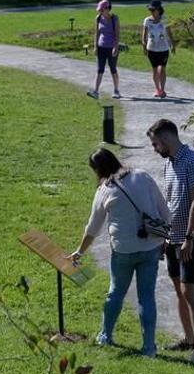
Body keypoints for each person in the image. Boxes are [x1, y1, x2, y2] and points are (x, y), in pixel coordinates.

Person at [67, 148, 170, 357]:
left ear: (98, 170)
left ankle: (105, 336)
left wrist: (79, 252)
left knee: (116, 293)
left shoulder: (105, 189)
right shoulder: (142, 176)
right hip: (150, 246)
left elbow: (92, 229)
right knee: (146, 297)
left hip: (123, 250)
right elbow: (164, 210)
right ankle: (149, 347)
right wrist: (164, 238)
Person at [146, 119, 194, 363]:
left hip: (191, 237)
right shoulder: (169, 164)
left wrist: (189, 237)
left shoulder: (193, 161)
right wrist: (166, 236)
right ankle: (188, 339)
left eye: (155, 143)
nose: (154, 149)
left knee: (189, 289)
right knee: (178, 289)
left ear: (167, 138)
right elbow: (171, 203)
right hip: (173, 237)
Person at [87, 0, 121, 100]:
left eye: (102, 10)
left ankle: (116, 90)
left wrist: (116, 47)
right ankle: (96, 91)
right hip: (101, 47)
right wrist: (95, 47)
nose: (100, 12)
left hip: (111, 48)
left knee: (113, 69)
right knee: (99, 69)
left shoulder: (114, 19)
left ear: (107, 9)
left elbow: (117, 34)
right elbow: (97, 33)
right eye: (99, 10)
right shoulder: (98, 18)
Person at [141, 0, 175, 99]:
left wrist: (173, 45)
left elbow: (169, 33)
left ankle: (163, 89)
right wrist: (144, 45)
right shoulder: (147, 20)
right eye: (150, 9)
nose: (151, 11)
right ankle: (157, 89)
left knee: (162, 69)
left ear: (159, 10)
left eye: (153, 9)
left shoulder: (164, 19)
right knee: (155, 70)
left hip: (163, 48)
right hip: (151, 49)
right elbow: (144, 35)